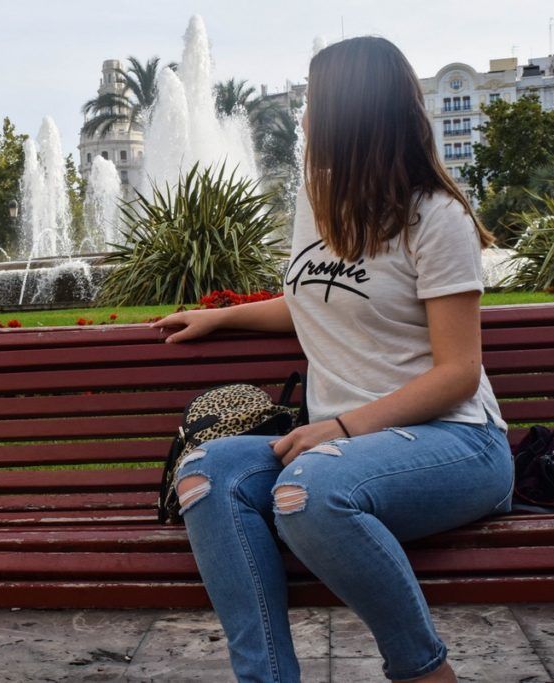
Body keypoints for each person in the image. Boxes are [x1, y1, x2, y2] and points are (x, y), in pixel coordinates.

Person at [151, 36, 514, 683]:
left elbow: (458, 371)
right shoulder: (316, 202)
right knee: (206, 474)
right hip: (333, 450)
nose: (306, 118)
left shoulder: (437, 218)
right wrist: (224, 315)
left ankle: (425, 670)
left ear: (351, 113)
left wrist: (343, 427)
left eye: (315, 102)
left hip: (458, 443)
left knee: (304, 494)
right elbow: (317, 301)